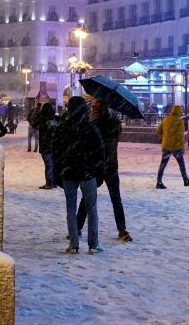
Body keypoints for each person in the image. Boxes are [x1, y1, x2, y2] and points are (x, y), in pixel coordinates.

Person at [51, 95, 106, 254]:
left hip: (69, 172)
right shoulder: (91, 128)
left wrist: (58, 172)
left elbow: (56, 151)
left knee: (70, 208)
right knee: (92, 209)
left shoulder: (62, 128)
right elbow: (100, 152)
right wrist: (99, 173)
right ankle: (93, 244)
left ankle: (74, 243)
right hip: (88, 172)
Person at [78, 97, 131, 242]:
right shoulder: (114, 121)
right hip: (111, 164)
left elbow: (86, 138)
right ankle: (122, 229)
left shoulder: (94, 121)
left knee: (87, 197)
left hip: (96, 164)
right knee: (116, 199)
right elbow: (116, 133)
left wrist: (92, 119)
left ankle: (77, 227)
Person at [155, 105, 189, 189]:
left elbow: (158, 131)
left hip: (166, 146)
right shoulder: (179, 121)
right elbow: (180, 136)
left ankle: (159, 182)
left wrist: (166, 136)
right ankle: (185, 180)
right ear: (179, 112)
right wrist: (182, 147)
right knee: (181, 164)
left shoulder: (165, 119)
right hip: (176, 147)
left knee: (163, 164)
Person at [36, 102, 58, 189]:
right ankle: (54, 182)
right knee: (53, 164)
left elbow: (35, 124)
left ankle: (49, 183)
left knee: (48, 164)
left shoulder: (42, 120)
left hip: (45, 145)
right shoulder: (56, 119)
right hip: (55, 145)